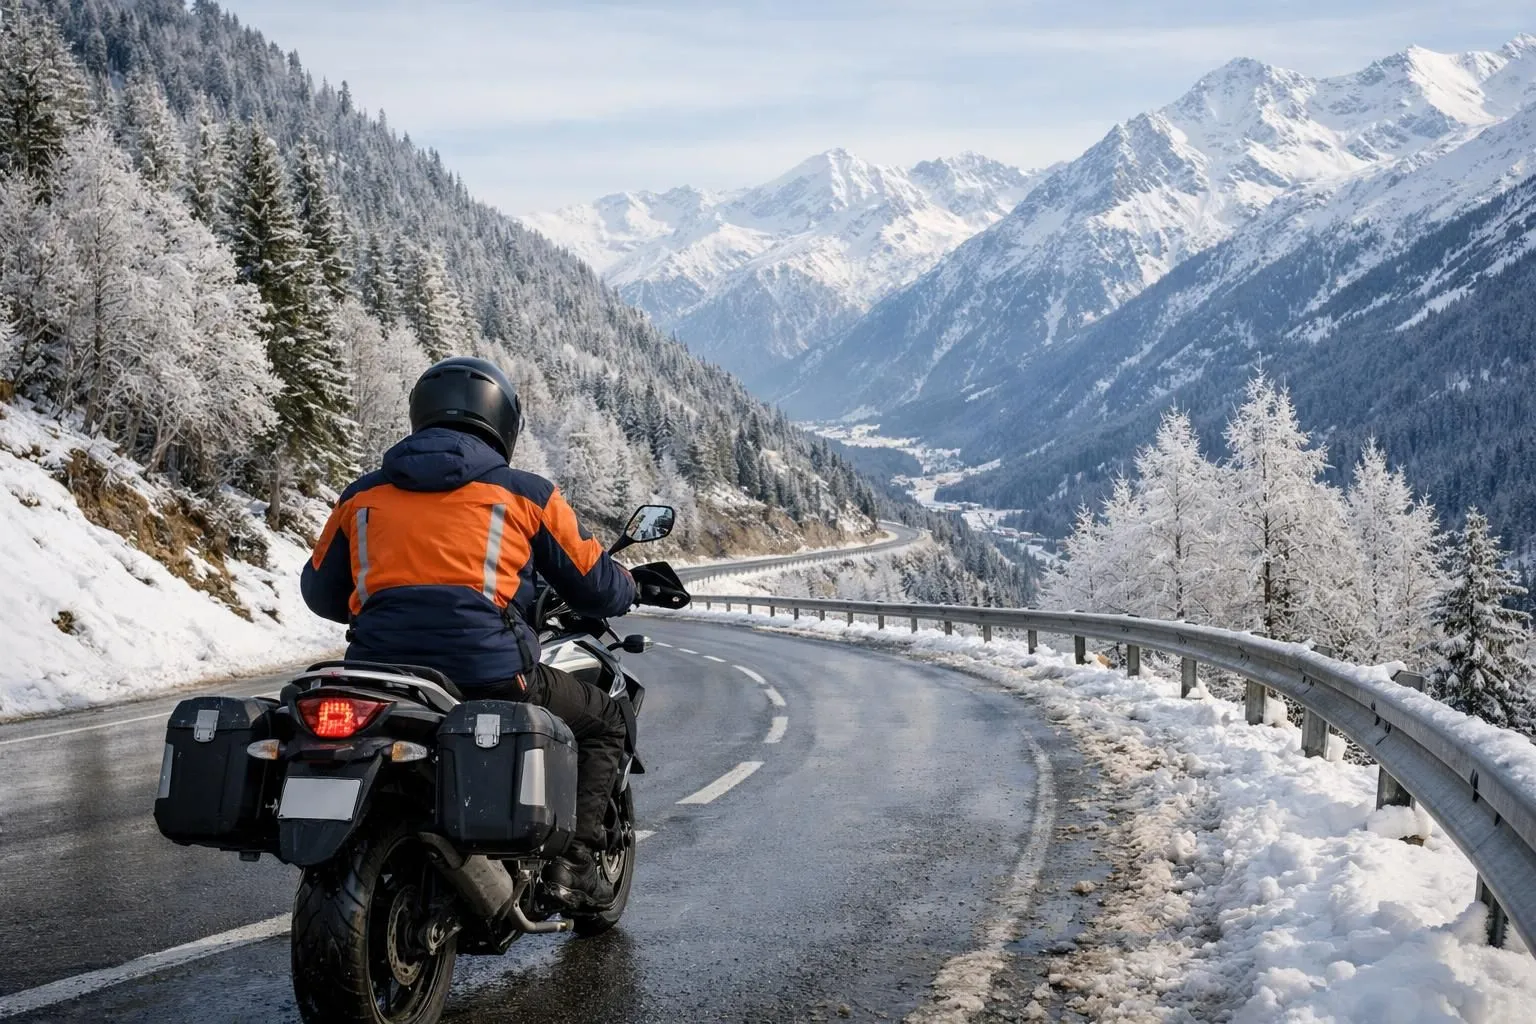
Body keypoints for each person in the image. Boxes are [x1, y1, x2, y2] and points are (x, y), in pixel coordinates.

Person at [300, 356, 636, 911]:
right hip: (489, 673)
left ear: (420, 415)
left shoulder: (360, 496)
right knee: (606, 721)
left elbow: (320, 592)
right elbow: (596, 587)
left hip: (377, 675)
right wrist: (628, 586)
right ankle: (575, 869)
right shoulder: (527, 494)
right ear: (503, 423)